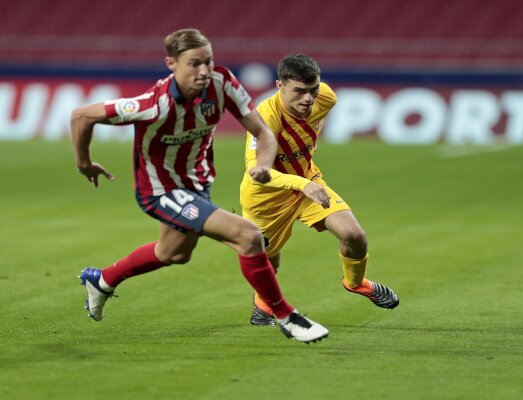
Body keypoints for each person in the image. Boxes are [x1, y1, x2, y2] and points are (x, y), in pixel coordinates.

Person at [70, 29, 328, 344]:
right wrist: (84, 163)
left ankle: (102, 280)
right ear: (171, 64)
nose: (204, 71)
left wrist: (262, 165)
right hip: (161, 191)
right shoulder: (152, 104)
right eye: (193, 63)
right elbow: (81, 115)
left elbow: (263, 132)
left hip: (197, 184)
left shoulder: (223, 84)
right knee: (248, 236)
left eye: (208, 61)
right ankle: (287, 316)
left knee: (173, 253)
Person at [239, 54, 399, 326]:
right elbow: (258, 172)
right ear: (279, 85)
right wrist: (302, 183)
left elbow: (312, 116)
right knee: (268, 263)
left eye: (312, 89)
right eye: (299, 91)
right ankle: (262, 303)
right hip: (267, 198)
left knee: (354, 235)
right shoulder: (264, 118)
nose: (308, 98)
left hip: (308, 184)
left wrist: (305, 180)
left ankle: (356, 283)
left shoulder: (326, 98)